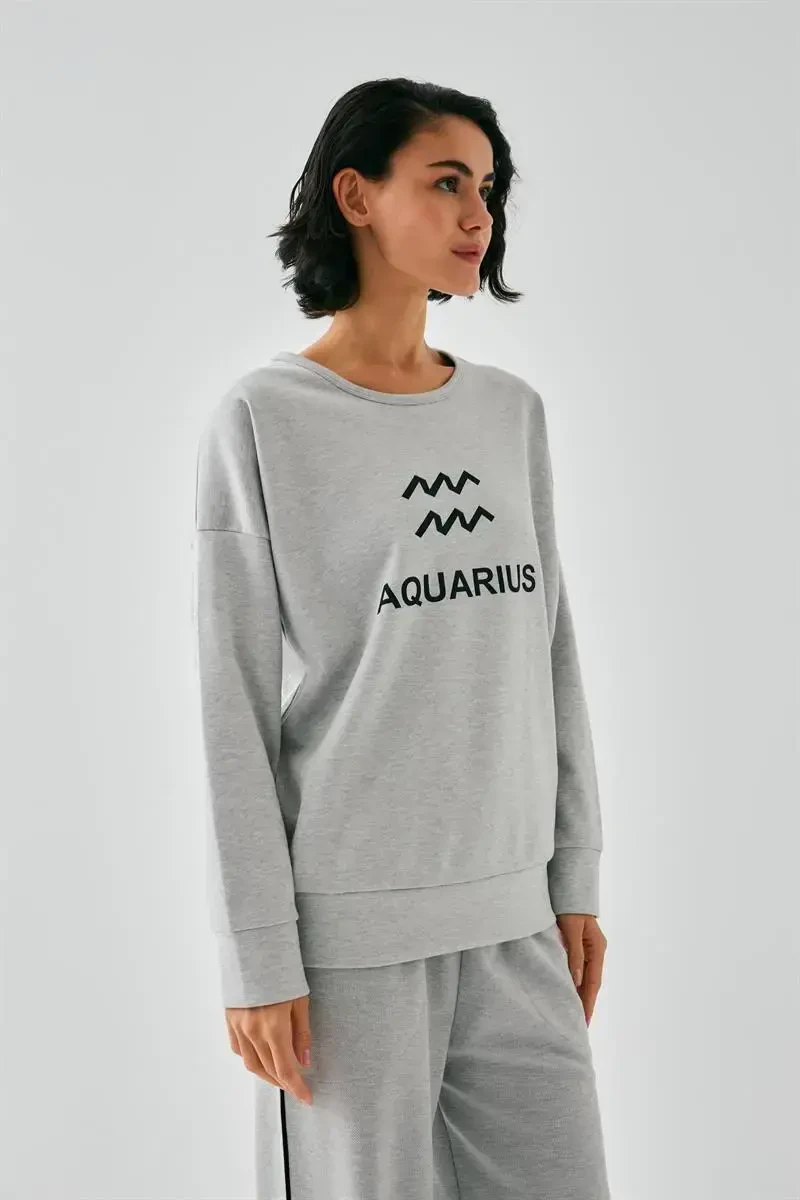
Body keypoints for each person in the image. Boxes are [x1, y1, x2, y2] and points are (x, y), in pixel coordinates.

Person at [193, 76, 611, 1200]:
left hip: (516, 922)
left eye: (489, 189)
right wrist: (256, 954)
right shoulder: (264, 419)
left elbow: (551, 651)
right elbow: (230, 705)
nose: (480, 215)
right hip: (349, 946)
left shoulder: (509, 413)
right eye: (446, 183)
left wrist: (573, 873)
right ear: (356, 196)